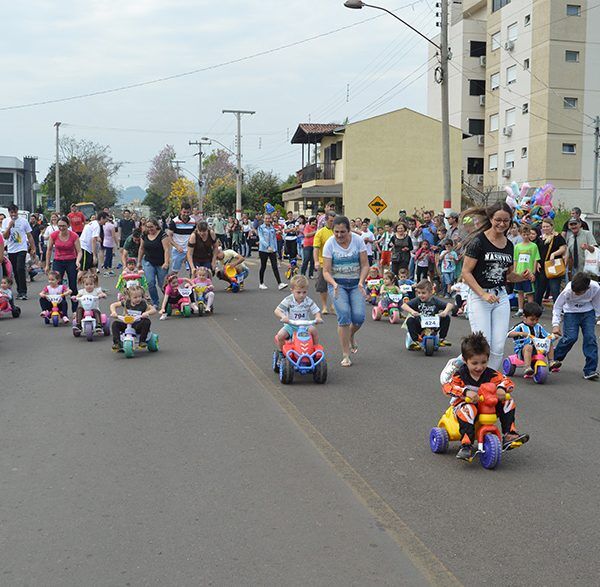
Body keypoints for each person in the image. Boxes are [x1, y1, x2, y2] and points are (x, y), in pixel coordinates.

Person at [461, 202, 535, 371]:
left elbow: (508, 275)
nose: (502, 224)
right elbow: (466, 273)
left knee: (498, 346)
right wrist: (482, 295)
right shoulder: (478, 242)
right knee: (482, 345)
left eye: (506, 221)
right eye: (498, 220)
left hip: (500, 297)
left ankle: (489, 383)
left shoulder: (509, 245)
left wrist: (523, 277)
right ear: (490, 219)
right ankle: (458, 365)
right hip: (480, 297)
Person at [442, 332, 529, 461]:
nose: (479, 367)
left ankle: (509, 434)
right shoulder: (460, 375)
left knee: (507, 401)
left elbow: (507, 382)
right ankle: (466, 444)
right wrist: (466, 392)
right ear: (465, 361)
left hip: (487, 405)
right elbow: (448, 387)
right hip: (463, 406)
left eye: (483, 362)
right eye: (474, 363)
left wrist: (501, 388)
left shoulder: (491, 374)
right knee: (469, 409)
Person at [322, 216, 369, 367]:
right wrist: (334, 284)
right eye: (336, 232)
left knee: (359, 317)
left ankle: (351, 334)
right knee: (343, 315)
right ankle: (345, 354)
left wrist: (361, 282)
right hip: (338, 284)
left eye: (343, 232)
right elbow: (326, 271)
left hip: (356, 284)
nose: (339, 235)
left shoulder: (357, 241)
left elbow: (365, 265)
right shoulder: (329, 244)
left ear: (349, 230)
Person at [552, 272, 600, 380]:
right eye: (575, 291)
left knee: (590, 338)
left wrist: (596, 317)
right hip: (571, 312)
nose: (576, 293)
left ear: (587, 288)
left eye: (578, 292)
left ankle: (590, 370)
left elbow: (597, 304)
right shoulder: (568, 291)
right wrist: (556, 324)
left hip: (588, 312)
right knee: (571, 338)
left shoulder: (595, 287)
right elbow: (557, 307)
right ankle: (554, 358)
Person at [274, 274, 323, 358]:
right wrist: (283, 316)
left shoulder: (308, 301)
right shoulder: (288, 300)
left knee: (314, 331)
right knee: (280, 335)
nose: (301, 295)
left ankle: (315, 350)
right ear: (292, 290)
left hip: (305, 326)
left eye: (304, 292)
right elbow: (277, 311)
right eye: (298, 292)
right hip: (290, 325)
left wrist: (318, 317)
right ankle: (282, 353)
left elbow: (316, 311)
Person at [507, 302, 560, 376]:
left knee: (549, 342)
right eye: (532, 319)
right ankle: (527, 367)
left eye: (537, 319)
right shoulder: (520, 326)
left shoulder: (538, 326)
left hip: (538, 347)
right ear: (524, 317)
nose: (534, 322)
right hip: (523, 350)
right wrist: (520, 333)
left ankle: (551, 361)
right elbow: (509, 334)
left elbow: (546, 335)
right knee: (528, 347)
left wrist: (553, 336)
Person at [402, 279, 453, 348]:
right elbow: (404, 305)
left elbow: (450, 305)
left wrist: (445, 312)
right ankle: (415, 340)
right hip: (420, 325)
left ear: (430, 292)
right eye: (419, 293)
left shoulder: (434, 301)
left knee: (446, 317)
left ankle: (442, 338)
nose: (420, 295)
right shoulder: (417, 300)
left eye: (423, 293)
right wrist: (412, 311)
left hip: (433, 325)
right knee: (410, 320)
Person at [45, 216, 81, 313]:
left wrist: (78, 261)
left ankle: (74, 311)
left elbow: (79, 251)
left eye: (64, 226)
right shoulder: (54, 235)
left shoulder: (74, 236)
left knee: (72, 286)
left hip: (71, 261)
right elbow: (48, 250)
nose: (61, 228)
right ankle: (61, 310)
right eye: (59, 226)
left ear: (68, 225)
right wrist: (47, 265)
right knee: (58, 286)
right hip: (58, 261)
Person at [1, 204, 36, 300]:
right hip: (11, 249)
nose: (13, 214)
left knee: (20, 268)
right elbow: (5, 236)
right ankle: (19, 290)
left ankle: (23, 291)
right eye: (11, 213)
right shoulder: (5, 221)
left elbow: (29, 235)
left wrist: (33, 248)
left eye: (15, 212)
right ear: (9, 213)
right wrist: (9, 226)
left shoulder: (24, 221)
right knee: (15, 270)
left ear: (17, 212)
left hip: (22, 248)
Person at [110, 284, 156, 351]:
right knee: (115, 324)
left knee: (146, 321)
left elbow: (153, 310)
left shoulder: (143, 303)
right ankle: (117, 343)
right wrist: (113, 312)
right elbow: (113, 305)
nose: (138, 299)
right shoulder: (126, 302)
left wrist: (147, 313)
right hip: (127, 324)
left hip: (138, 325)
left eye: (140, 296)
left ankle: (142, 341)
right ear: (130, 297)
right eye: (135, 297)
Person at [137, 218, 170, 308]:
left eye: (151, 227)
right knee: (150, 282)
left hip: (161, 262)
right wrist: (139, 262)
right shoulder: (144, 234)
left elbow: (166, 249)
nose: (150, 229)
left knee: (162, 284)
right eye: (148, 227)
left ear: (156, 226)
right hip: (148, 261)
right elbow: (141, 248)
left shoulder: (162, 234)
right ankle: (155, 302)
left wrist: (166, 262)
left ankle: (169, 299)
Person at [535, 218, 566, 306]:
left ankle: (558, 310)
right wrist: (536, 262)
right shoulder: (540, 238)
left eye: (547, 226)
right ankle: (536, 309)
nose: (545, 228)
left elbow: (563, 248)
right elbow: (536, 252)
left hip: (553, 266)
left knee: (555, 289)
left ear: (552, 226)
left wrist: (554, 254)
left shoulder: (557, 237)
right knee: (539, 290)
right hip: (541, 267)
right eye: (543, 227)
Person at [512, 225, 541, 316]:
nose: (526, 236)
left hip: (528, 273)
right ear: (520, 234)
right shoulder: (517, 247)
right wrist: (515, 272)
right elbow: (515, 260)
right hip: (519, 273)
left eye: (528, 234)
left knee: (529, 293)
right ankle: (520, 309)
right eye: (524, 234)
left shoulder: (533, 246)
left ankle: (530, 311)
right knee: (520, 292)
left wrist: (533, 273)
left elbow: (535, 259)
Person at [313, 211, 336, 314]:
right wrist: (316, 261)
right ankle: (324, 306)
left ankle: (333, 305)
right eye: (331, 221)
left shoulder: (338, 232)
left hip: (336, 263)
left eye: (334, 221)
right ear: (326, 220)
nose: (332, 223)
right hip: (323, 263)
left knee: (336, 285)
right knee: (323, 286)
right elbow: (316, 248)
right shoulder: (320, 232)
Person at [257, 213, 288, 290]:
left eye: (269, 218)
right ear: (263, 219)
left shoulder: (272, 228)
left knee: (275, 267)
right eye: (266, 218)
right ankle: (261, 283)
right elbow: (261, 239)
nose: (267, 220)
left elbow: (274, 239)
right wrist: (267, 246)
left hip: (272, 250)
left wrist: (275, 249)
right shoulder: (261, 228)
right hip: (263, 250)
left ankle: (280, 283)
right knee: (263, 266)